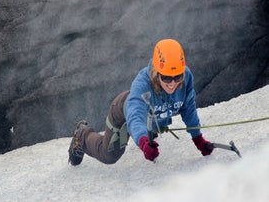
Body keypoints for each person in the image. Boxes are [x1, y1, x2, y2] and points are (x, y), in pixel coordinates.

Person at [68, 39, 213, 166]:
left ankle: (146, 132)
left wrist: (198, 139)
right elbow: (136, 117)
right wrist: (144, 143)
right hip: (125, 112)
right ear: (157, 72)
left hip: (151, 115)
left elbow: (188, 109)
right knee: (109, 155)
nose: (172, 84)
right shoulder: (142, 86)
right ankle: (82, 134)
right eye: (167, 78)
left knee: (150, 127)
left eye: (178, 77)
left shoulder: (186, 77)